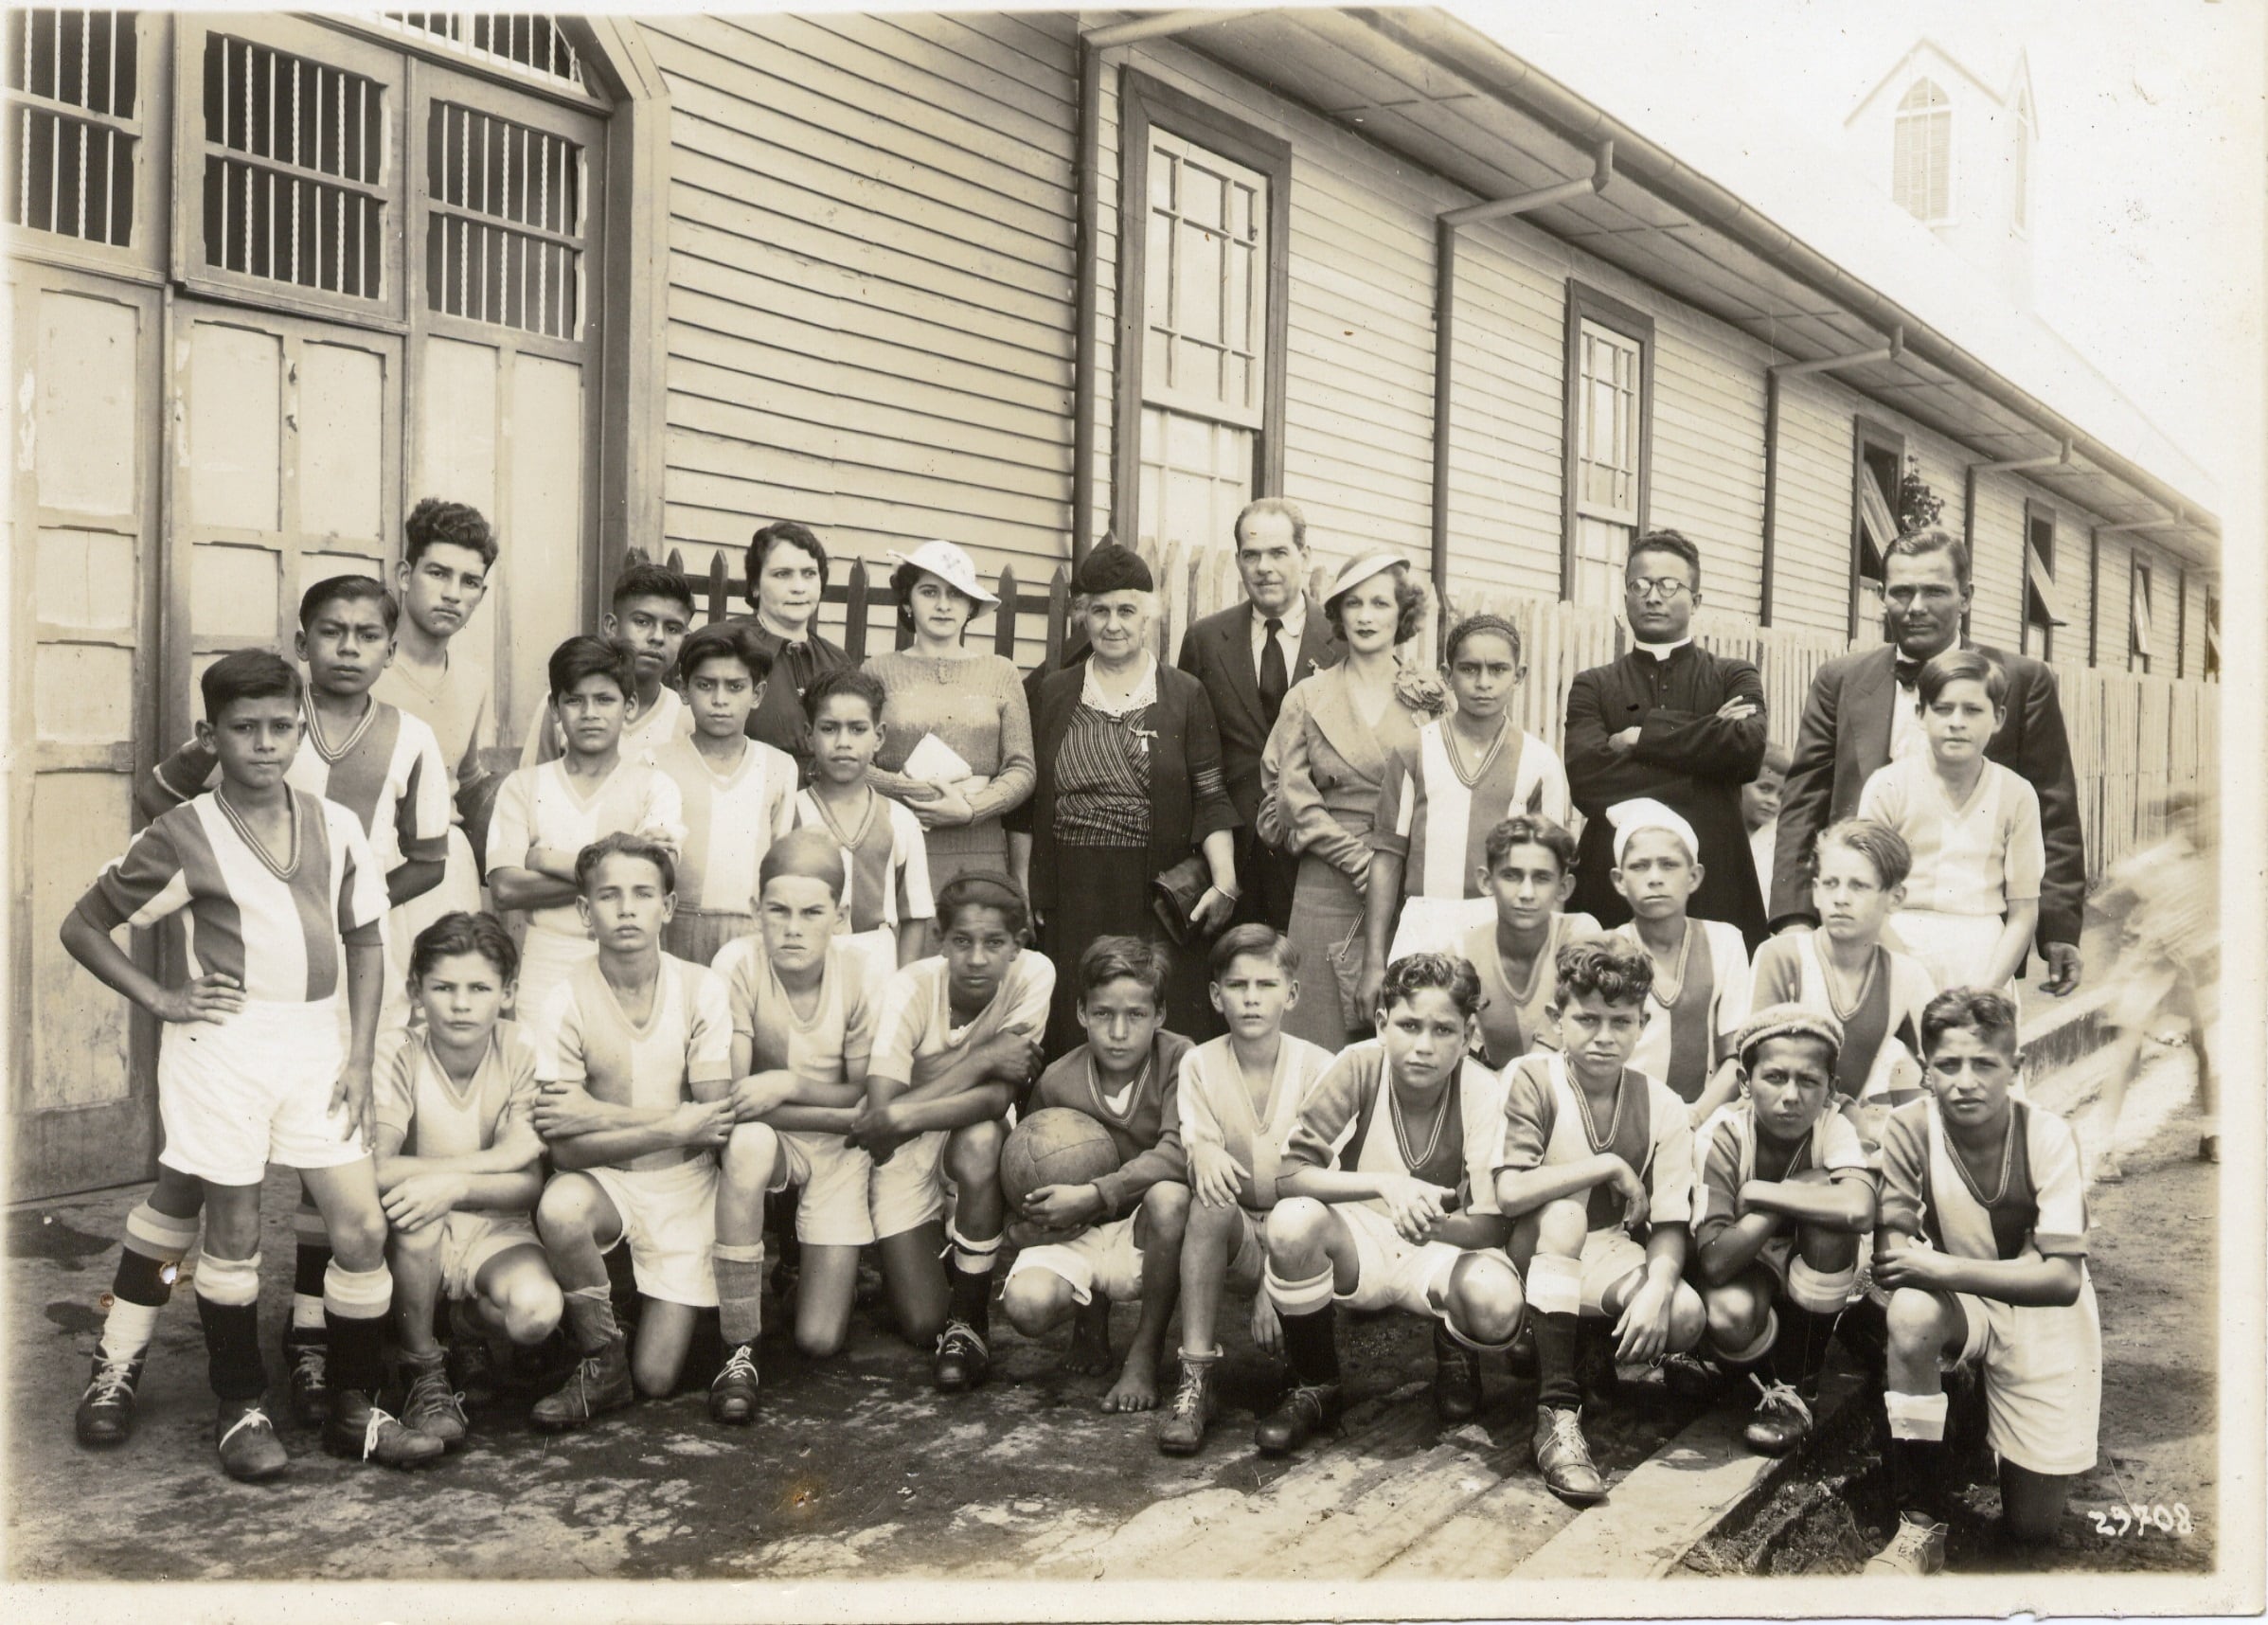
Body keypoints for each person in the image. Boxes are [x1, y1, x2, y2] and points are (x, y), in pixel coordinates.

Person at [62, 650, 438, 1476]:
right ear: (211, 735)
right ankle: (239, 1405)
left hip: (318, 1046)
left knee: (362, 1225)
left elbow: (368, 940)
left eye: (281, 727)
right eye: (245, 729)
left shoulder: (334, 824)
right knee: (227, 1229)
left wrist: (359, 1054)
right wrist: (161, 1000)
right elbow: (83, 925)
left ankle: (354, 1407)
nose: (266, 744)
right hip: (223, 1049)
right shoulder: (180, 832)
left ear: (300, 728)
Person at [137, 575, 454, 1422]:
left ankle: (314, 1343)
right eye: (332, 633)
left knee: (332, 1186)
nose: (349, 649)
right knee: (191, 1188)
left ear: (391, 648)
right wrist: (271, 900)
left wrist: (332, 899)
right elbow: (158, 803)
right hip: (241, 1010)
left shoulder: (412, 738)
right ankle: (121, 1343)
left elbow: (428, 856)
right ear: (303, 641)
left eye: (367, 635)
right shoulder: (265, 712)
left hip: (342, 985)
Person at [1771, 528, 2084, 997]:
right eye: (1901, 592)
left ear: (1966, 597)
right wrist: (1794, 917)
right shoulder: (1841, 680)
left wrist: (2059, 927)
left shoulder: (2020, 681)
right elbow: (1804, 801)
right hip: (1858, 925)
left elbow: (2051, 806)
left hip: (1976, 939)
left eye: (1934, 591)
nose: (1915, 606)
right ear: (1882, 597)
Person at [1866, 989, 2099, 1575]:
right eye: (1948, 1065)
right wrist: (2011, 1265)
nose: (1965, 1081)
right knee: (1911, 1315)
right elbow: (1894, 1259)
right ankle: (1920, 1524)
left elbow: (2061, 1281)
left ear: (2014, 1069)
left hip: (2043, 1321)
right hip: (1965, 1308)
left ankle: (1975, 1423)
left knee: (2031, 1530)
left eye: (1984, 1064)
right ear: (1926, 1071)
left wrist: (1941, 1265)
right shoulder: (1908, 1127)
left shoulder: (2046, 1136)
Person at [1259, 954, 1522, 1455]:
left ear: (1468, 1036)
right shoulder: (1359, 1065)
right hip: (1362, 1237)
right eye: (1408, 1025)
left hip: (1440, 1245)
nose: (1423, 1046)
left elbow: (1492, 1226)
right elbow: (1288, 1176)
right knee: (1293, 1224)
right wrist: (1385, 1186)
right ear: (1382, 1024)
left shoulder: (1482, 1091)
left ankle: (1456, 1353)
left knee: (1497, 1303)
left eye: (1444, 1031)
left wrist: (1431, 1227)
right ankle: (1316, 1383)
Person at [526, 833, 736, 1430]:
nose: (626, 908)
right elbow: (565, 1147)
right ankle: (600, 1358)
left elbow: (712, 1122)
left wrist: (596, 1114)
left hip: (686, 1188)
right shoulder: (563, 998)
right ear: (585, 912)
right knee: (561, 1207)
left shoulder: (701, 987)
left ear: (668, 906)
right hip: (607, 1185)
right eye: (609, 896)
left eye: (643, 893)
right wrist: (670, 1119)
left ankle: (644, 1322)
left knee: (660, 1381)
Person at [1493, 936, 1705, 1507]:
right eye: (1587, 1019)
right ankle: (1557, 1414)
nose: (1604, 1036)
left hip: (1607, 1247)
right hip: (1530, 1248)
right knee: (1563, 1214)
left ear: (1642, 1023)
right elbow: (1510, 1192)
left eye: (1621, 1021)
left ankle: (1585, 1351)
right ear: (1557, 1018)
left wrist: (1659, 1287)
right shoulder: (1533, 1077)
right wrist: (1607, 1164)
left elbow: (1668, 1221)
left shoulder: (1661, 1103)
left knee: (1683, 1314)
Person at [1026, 542, 1240, 1050]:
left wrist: (1225, 880)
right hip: (1073, 890)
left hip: (1155, 892)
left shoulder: (1184, 693)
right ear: (1082, 616)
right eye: (1099, 610)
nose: (1113, 623)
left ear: (1149, 617)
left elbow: (1210, 794)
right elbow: (1027, 804)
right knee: (1077, 1020)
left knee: (1154, 1022)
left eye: (1127, 610)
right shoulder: (1054, 692)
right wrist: (1026, 886)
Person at [706, 831, 885, 1420]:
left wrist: (787, 1084)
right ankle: (740, 1345)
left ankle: (796, 1273)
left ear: (840, 916)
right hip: (775, 1138)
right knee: (749, 1143)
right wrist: (836, 1112)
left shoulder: (860, 972)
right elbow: (736, 1102)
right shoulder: (738, 963)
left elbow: (864, 1090)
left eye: (812, 913)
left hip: (837, 1152)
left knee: (818, 1340)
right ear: (756, 909)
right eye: (777, 911)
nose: (792, 928)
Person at [852, 875, 1054, 1392]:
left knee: (985, 1136)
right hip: (901, 1146)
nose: (978, 958)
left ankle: (969, 1320)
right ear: (941, 939)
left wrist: (901, 1114)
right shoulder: (911, 987)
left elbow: (996, 1100)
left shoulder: (1035, 973)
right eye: (962, 941)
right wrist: (984, 1057)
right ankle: (940, 1251)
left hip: (955, 1127)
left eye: (995, 943)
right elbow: (879, 1113)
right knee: (921, 1323)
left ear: (1018, 944)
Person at [375, 913, 563, 1450]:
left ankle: (465, 1326)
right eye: (443, 987)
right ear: (416, 991)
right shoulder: (400, 1050)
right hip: (416, 1234)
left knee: (536, 1312)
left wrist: (455, 1185)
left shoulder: (522, 1048)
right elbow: (380, 1169)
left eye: (479, 988)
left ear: (508, 993)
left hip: (494, 1228)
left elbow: (527, 1185)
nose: (461, 1004)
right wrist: (481, 1168)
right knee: (417, 1208)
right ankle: (422, 1366)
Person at [1155, 925, 1336, 1457]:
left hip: (1302, 1236)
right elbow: (1201, 1146)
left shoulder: (1320, 1066)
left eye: (1266, 984)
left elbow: (1323, 1182)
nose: (1252, 998)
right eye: (1237, 985)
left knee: (1301, 1210)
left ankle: (1307, 1371)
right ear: (1216, 996)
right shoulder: (1199, 1063)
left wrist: (1271, 1286)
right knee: (1209, 1198)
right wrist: (1203, 1149)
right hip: (1237, 1231)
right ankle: (1196, 1378)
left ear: (1293, 994)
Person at [1260, 551, 1445, 1048]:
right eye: (1354, 604)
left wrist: (1389, 872)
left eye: (1381, 603)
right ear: (1338, 615)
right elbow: (1291, 799)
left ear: (1402, 614)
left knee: (1407, 1038)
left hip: (1408, 881)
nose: (1366, 616)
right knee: (1316, 1041)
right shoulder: (1307, 696)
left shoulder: (1429, 698)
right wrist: (1363, 864)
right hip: (1328, 882)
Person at [1004, 937, 1195, 1414]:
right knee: (1026, 1305)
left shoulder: (1181, 1060)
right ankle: (1091, 1316)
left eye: (1135, 1015)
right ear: (1082, 1013)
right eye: (1104, 1013)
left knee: (1170, 1196)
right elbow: (1024, 1167)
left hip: (1146, 1231)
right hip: (1081, 1228)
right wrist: (1026, 1224)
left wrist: (1095, 1193)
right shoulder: (1057, 1081)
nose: (1118, 1031)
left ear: (1160, 1015)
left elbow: (1179, 1151)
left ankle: (1145, 1351)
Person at [1564, 530, 1769, 948]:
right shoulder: (1593, 685)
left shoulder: (1734, 674)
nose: (1652, 596)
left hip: (1715, 876)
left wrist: (1642, 737)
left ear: (1696, 600)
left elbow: (1746, 750)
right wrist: (1705, 760)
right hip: (1614, 881)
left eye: (1668, 585)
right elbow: (1588, 780)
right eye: (1639, 585)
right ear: (1625, 598)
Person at [1688, 1006, 1877, 1458]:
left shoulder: (1836, 1123)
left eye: (1809, 1081)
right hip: (1744, 1268)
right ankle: (1746, 1372)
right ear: (1743, 1081)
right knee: (1728, 1317)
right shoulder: (1724, 1133)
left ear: (1831, 1088)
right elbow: (1714, 1260)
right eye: (1774, 1078)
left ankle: (1797, 1387)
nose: (1791, 1095)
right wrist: (1788, 1202)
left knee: (1831, 1229)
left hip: (1807, 1263)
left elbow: (1857, 1209)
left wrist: (1767, 1192)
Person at [1360, 613, 1570, 1009]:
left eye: (1498, 670)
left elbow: (1550, 875)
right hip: (1425, 926)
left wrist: (1546, 958)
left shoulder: (1540, 763)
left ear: (1519, 676)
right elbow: (1387, 860)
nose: (1484, 682)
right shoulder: (1413, 750)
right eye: (1469, 669)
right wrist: (1373, 963)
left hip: (1504, 930)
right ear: (1447, 673)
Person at [486, 637, 686, 1026]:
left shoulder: (656, 787)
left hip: (631, 964)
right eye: (575, 700)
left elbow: (656, 880)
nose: (590, 713)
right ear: (555, 708)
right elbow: (506, 889)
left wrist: (545, 859)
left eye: (605, 700)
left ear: (629, 707)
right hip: (547, 960)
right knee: (543, 1077)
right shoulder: (524, 786)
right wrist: (616, 874)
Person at [1175, 497, 1345, 932]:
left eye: (1278, 553)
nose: (1264, 567)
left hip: (1316, 857)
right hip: (1230, 861)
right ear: (1238, 561)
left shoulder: (1342, 643)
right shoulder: (1206, 640)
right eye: (1252, 555)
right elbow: (1185, 754)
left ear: (1304, 556)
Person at [1857, 651, 2045, 995]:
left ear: (1999, 717)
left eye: (1973, 710)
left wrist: (1987, 990)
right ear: (1920, 714)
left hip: (1984, 958)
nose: (1957, 722)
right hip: (1898, 952)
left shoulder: (2017, 795)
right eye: (1943, 709)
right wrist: (1911, 982)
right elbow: (1868, 897)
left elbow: (2023, 911)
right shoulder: (1889, 786)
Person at [864, 539, 1037, 895]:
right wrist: (915, 793)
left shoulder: (1000, 672)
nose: (943, 605)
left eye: (955, 594)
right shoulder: (876, 671)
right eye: (929, 592)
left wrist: (971, 809)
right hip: (897, 841)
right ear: (907, 602)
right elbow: (855, 762)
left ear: (970, 605)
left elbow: (1022, 768)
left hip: (980, 846)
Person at [1748, 819, 1935, 1145]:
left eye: (1859, 886)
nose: (1841, 898)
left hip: (1842, 1140)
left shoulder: (1907, 976)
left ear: (1895, 897)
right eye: (1831, 884)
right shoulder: (1782, 956)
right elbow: (1760, 1070)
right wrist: (1852, 1122)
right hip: (1768, 1134)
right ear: (1816, 892)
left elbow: (1943, 1062)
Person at [376, 496, 497, 937]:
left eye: (469, 582)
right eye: (438, 573)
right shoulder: (360, 669)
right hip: (374, 862)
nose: (452, 594)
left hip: (446, 866)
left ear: (481, 595)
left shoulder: (472, 679)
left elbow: (467, 781)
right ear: (405, 576)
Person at [649, 623, 797, 966]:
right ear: (683, 689)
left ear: (757, 694)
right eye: (705, 685)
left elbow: (780, 857)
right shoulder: (654, 762)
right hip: (673, 924)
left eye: (735, 687)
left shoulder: (779, 767)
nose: (719, 700)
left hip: (749, 932)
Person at [2087, 786, 2219, 1173]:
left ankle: (2212, 1132)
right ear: (2175, 822)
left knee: (2205, 1049)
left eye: (2201, 816)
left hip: (2186, 971)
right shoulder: (2149, 864)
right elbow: (2104, 909)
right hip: (2145, 969)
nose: (2197, 824)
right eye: (2188, 817)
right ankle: (2104, 1147)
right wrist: (2114, 961)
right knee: (2127, 1058)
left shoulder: (2205, 864)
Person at [1604, 799, 1751, 1117]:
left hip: (1704, 1117)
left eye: (1669, 865)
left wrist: (1695, 1118)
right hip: (1625, 1118)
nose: (1655, 877)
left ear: (1694, 876)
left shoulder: (1725, 941)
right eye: (1640, 866)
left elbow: (1735, 1056)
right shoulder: (1607, 948)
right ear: (1619, 881)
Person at [790, 668, 936, 979]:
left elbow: (915, 918)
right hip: (804, 961)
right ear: (809, 735)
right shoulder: (790, 812)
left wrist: (902, 988)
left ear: (879, 736)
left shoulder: (900, 820)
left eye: (857, 729)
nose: (843, 742)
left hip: (877, 963)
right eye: (829, 729)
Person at [521, 561, 695, 768]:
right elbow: (533, 786)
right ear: (612, 626)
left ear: (686, 639)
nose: (657, 637)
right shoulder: (567, 702)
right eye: (642, 622)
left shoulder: (686, 715)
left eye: (673, 629)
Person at [1459, 814, 1600, 1070]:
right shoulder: (1463, 952)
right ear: (1486, 881)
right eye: (1511, 876)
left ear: (1564, 887)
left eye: (1542, 878)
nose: (1526, 893)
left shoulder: (1579, 933)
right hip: (1495, 1094)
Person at [736, 520, 853, 763]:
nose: (799, 588)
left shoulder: (837, 660)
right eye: (782, 574)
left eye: (809, 574)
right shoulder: (729, 644)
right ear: (755, 585)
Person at [1744, 743, 1791, 905]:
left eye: (1781, 795)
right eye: (1765, 789)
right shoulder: (1721, 832)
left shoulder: (1781, 838)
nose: (1773, 801)